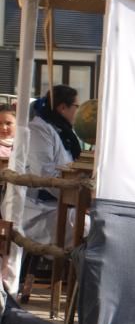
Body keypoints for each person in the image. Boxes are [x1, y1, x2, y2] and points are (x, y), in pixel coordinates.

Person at [21, 85, 82, 246]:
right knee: (89, 227)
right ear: (63, 107)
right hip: (38, 208)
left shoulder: (63, 131)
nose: (79, 111)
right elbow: (44, 174)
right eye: (77, 106)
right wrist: (77, 199)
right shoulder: (38, 129)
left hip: (59, 203)